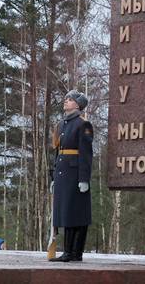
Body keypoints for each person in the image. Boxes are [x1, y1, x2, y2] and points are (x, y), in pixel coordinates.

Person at [49, 90, 93, 262]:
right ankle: (69, 252)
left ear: (78, 104)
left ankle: (74, 252)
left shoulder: (83, 124)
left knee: (76, 213)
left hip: (75, 174)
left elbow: (86, 154)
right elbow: (58, 152)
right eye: (66, 98)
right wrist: (54, 176)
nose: (66, 101)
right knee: (66, 212)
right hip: (62, 173)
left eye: (70, 99)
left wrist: (84, 179)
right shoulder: (62, 124)